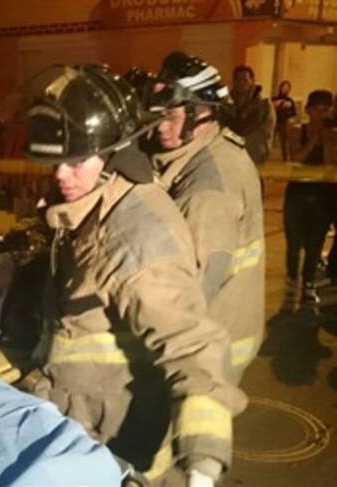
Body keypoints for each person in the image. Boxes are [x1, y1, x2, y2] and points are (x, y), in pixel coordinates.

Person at [22, 64, 246, 486]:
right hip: (78, 421)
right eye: (57, 162)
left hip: (116, 445)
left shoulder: (135, 239)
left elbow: (195, 348)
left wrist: (202, 465)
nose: (60, 174)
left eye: (76, 161)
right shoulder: (94, 202)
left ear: (114, 153)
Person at [148, 51, 265, 384]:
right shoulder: (213, 151)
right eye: (158, 115)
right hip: (221, 334)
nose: (160, 125)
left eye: (170, 116)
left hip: (205, 355)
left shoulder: (206, 192)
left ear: (201, 113)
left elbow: (190, 292)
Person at [284, 90, 334, 307]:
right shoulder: (297, 130)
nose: (321, 115)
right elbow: (296, 158)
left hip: (322, 195)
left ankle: (308, 283)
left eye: (325, 110)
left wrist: (328, 140)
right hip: (298, 193)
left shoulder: (332, 135)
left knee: (315, 243)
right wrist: (314, 138)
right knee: (294, 242)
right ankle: (292, 278)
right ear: (308, 110)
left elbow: (330, 164)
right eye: (317, 110)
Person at [225, 65, 275, 165]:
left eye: (245, 79)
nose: (241, 83)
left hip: (254, 151)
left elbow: (264, 129)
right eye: (238, 79)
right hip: (231, 151)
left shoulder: (263, 103)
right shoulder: (228, 102)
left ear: (252, 80)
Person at [272, 80, 296, 161]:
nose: (285, 89)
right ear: (280, 88)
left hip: (284, 123)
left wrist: (288, 113)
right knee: (270, 140)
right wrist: (276, 104)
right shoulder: (274, 99)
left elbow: (294, 113)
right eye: (283, 87)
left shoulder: (290, 101)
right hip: (274, 122)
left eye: (287, 87)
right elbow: (269, 110)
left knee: (284, 142)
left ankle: (285, 159)